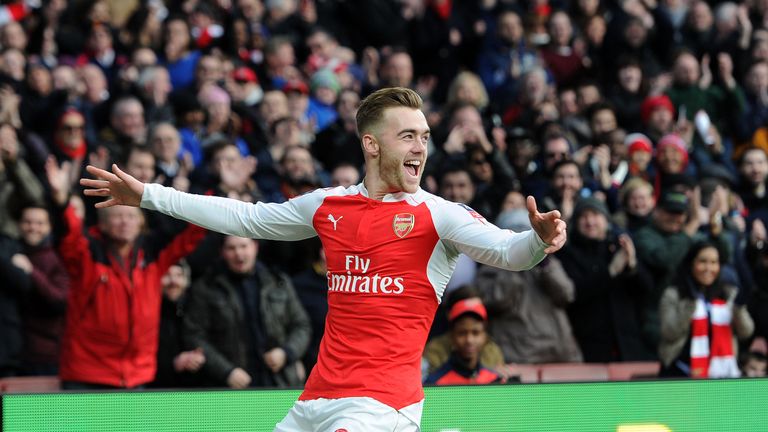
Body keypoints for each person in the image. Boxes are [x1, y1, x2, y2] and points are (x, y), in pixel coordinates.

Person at [79, 87, 566, 431]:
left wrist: (538, 240)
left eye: (424, 136)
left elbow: (509, 251)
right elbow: (246, 218)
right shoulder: (329, 206)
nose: (421, 147)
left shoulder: (440, 216)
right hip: (314, 400)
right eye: (408, 136)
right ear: (371, 145)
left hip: (381, 408)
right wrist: (148, 196)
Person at [47, 159, 207, 390]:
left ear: (141, 223)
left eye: (131, 216)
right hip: (87, 374)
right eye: (117, 216)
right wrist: (61, 201)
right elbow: (69, 238)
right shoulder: (88, 255)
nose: (125, 222)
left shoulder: (153, 256)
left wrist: (219, 192)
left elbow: (192, 234)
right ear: (102, 224)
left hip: (136, 375)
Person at [182, 235, 311, 388]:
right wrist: (226, 371)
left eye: (244, 246)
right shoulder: (206, 287)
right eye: (231, 248)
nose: (239, 254)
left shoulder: (278, 281)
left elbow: (302, 325)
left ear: (255, 247)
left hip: (280, 382)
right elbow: (194, 335)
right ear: (222, 252)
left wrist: (287, 353)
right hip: (231, 385)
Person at [659, 241, 753, 377]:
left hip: (721, 376)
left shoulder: (728, 293)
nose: (708, 268)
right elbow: (669, 332)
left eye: (714, 262)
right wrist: (691, 303)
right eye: (703, 261)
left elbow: (746, 331)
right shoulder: (674, 294)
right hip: (681, 373)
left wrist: (738, 308)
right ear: (691, 263)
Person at [423, 298, 503, 385]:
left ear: (484, 335)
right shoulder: (434, 383)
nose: (469, 340)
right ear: (452, 336)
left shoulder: (495, 380)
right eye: (462, 333)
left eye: (475, 333)